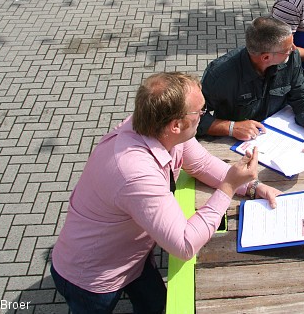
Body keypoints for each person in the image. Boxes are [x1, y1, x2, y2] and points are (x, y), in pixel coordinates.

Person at [51, 72, 281, 314]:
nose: (204, 115)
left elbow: (200, 164)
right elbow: (184, 244)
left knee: (156, 305)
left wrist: (255, 187)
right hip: (91, 278)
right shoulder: (135, 173)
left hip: (133, 258)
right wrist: (228, 188)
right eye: (200, 112)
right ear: (176, 125)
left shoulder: (157, 126)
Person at [197, 16, 304, 170]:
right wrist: (231, 127)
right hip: (234, 153)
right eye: (288, 49)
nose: (294, 49)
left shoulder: (291, 59)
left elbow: (303, 96)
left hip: (280, 147)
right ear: (266, 57)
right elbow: (191, 117)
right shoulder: (220, 74)